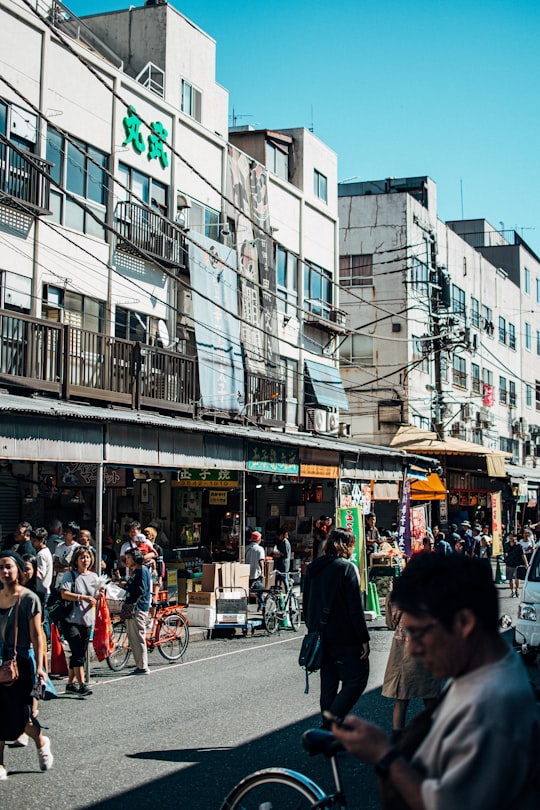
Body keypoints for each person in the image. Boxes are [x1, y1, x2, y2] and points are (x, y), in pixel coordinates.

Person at [332, 553, 540, 810]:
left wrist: (383, 754)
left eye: (418, 633)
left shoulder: (490, 710)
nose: (413, 649)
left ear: (463, 622)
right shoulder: (481, 674)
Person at [303, 528, 370, 727]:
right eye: (352, 545)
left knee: (329, 683)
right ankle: (328, 725)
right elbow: (355, 608)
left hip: (320, 635)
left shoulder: (314, 567)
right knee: (356, 680)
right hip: (345, 635)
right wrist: (364, 638)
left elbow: (306, 603)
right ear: (346, 546)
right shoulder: (346, 568)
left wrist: (312, 627)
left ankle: (329, 728)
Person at [0, 550, 53, 780]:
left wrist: (41, 666)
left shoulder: (30, 598)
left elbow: (37, 635)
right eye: (1, 567)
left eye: (9, 566)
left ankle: (41, 741)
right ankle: (0, 764)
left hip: (21, 660)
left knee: (23, 717)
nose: (4, 571)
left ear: (19, 569)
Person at [382, 598, 441, 735]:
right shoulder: (433, 590)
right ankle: (437, 736)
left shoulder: (397, 596)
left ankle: (398, 739)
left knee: (402, 698)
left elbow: (390, 624)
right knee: (430, 697)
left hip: (403, 651)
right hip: (428, 649)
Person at [60, 546, 101, 695]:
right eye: (82, 557)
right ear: (76, 560)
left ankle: (70, 684)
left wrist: (99, 595)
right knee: (77, 651)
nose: (85, 560)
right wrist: (82, 597)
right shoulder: (70, 575)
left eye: (88, 557)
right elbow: (64, 594)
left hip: (87, 620)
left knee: (79, 653)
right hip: (70, 620)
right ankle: (82, 685)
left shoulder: (94, 577)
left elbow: (94, 598)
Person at [122, 548, 151, 675]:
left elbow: (141, 590)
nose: (127, 560)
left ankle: (143, 666)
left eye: (129, 558)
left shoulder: (142, 571)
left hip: (138, 607)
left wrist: (127, 586)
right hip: (134, 606)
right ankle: (139, 664)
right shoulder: (136, 571)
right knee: (134, 637)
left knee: (138, 636)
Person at [52, 521, 80, 588]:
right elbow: (56, 566)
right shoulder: (59, 546)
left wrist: (64, 568)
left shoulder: (77, 548)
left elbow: (77, 568)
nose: (64, 533)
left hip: (73, 580)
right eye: (64, 531)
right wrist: (68, 568)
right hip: (59, 580)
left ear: (74, 535)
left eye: (67, 532)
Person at [30, 528, 54, 597]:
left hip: (41, 591)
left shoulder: (41, 554)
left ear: (42, 540)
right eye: (31, 540)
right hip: (46, 589)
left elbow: (40, 574)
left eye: (34, 540)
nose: (32, 542)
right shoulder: (46, 551)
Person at [503, 533, 528, 597]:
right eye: (510, 536)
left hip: (517, 563)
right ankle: (512, 591)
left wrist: (526, 564)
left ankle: (517, 590)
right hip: (509, 563)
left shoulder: (519, 546)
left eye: (512, 537)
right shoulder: (506, 545)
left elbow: (523, 555)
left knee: (517, 578)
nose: (511, 538)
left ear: (515, 538)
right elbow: (505, 552)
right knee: (510, 578)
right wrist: (505, 556)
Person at [246, 531, 266, 608]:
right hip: (256, 573)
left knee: (247, 590)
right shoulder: (260, 549)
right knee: (259, 590)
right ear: (258, 539)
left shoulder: (246, 548)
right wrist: (262, 572)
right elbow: (261, 561)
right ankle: (261, 605)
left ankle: (247, 604)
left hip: (246, 573)